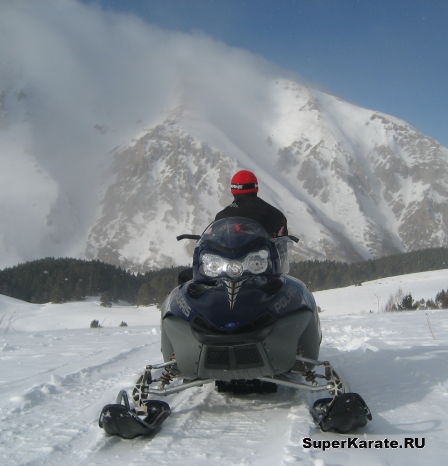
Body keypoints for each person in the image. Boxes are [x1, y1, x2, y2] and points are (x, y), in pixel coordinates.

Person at [215, 170, 288, 238]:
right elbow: (283, 244)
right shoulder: (277, 215)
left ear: (233, 189)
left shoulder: (221, 217)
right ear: (256, 188)